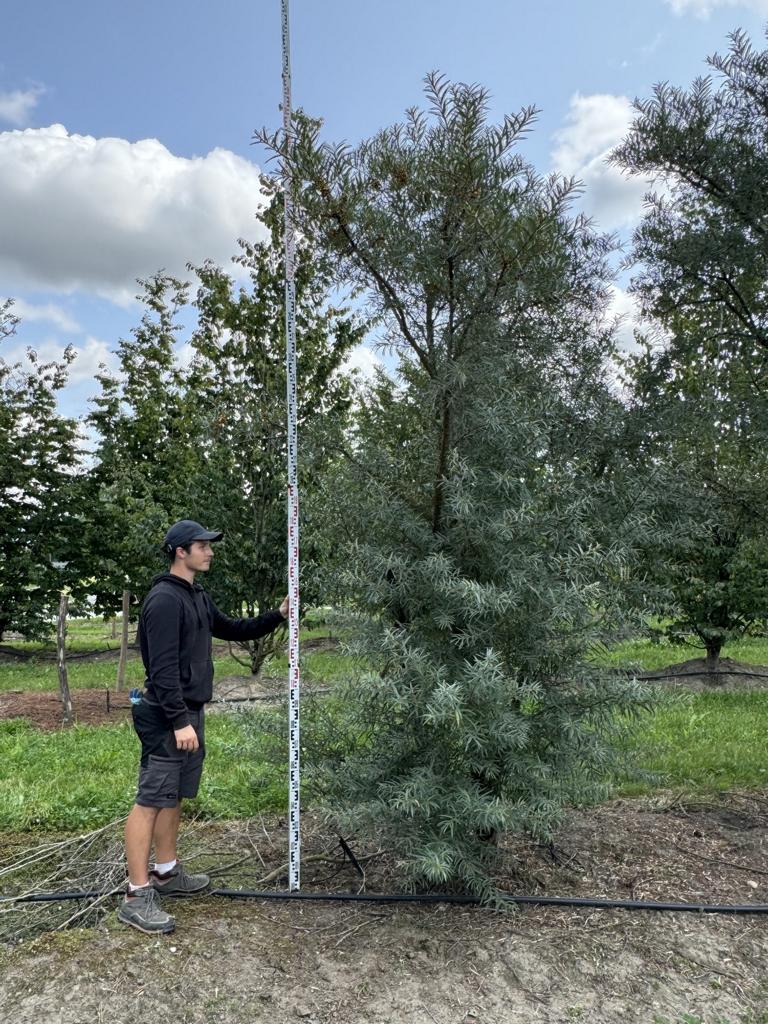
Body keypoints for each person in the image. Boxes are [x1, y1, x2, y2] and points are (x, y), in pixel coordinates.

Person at [118, 519, 288, 934]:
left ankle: (166, 872)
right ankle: (136, 895)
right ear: (180, 551)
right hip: (165, 716)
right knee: (151, 798)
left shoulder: (196, 596)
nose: (209, 551)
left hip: (189, 713)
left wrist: (278, 616)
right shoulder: (162, 600)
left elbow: (231, 628)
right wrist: (178, 721)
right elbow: (160, 668)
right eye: (202, 545)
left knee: (173, 795)